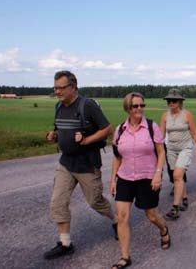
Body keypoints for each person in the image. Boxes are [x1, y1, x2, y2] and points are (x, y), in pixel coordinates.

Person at [44, 71, 117, 260]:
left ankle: (116, 221)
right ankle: (66, 243)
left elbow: (107, 129)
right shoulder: (58, 106)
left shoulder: (88, 105)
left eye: (61, 87)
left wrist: (86, 140)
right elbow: (61, 130)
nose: (57, 91)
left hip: (87, 164)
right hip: (66, 162)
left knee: (95, 201)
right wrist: (54, 137)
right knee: (57, 202)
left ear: (73, 87)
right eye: (55, 87)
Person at [109, 92, 170, 269]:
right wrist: (113, 180)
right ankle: (125, 257)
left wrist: (158, 173)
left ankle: (163, 229)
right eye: (135, 106)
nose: (139, 109)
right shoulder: (120, 129)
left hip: (147, 178)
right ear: (128, 107)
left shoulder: (152, 127)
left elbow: (160, 152)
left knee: (151, 215)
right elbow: (117, 157)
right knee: (122, 217)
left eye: (142, 105)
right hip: (125, 178)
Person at [160, 88, 196, 220]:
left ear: (180, 102)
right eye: (169, 101)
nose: (171, 103)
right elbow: (160, 137)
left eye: (174, 101)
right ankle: (184, 198)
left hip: (185, 148)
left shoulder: (186, 114)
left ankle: (175, 208)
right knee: (177, 176)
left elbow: (195, 133)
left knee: (177, 175)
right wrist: (157, 151)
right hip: (171, 149)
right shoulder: (164, 116)